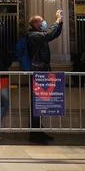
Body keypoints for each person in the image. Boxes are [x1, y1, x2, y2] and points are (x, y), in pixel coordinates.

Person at [26, 10, 63, 144]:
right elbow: (49, 34)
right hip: (37, 71)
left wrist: (61, 22)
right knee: (37, 103)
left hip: (43, 71)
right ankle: (34, 134)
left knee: (42, 104)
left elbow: (54, 34)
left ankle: (39, 131)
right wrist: (57, 20)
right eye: (42, 21)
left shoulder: (40, 34)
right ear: (35, 24)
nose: (44, 23)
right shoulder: (33, 35)